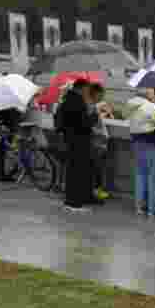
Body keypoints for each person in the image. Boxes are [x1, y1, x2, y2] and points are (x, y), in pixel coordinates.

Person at [57, 79, 98, 212]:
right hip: (79, 142)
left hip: (69, 140)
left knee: (72, 171)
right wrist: (93, 116)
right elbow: (84, 124)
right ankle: (74, 203)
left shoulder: (66, 100)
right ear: (81, 88)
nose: (88, 91)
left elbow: (59, 122)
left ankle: (72, 200)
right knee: (77, 172)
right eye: (87, 89)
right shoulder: (77, 102)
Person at [126, 88, 155, 217]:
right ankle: (153, 209)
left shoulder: (130, 105)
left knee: (140, 175)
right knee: (153, 176)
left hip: (137, 143)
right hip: (153, 144)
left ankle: (139, 206)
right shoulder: (151, 107)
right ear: (150, 93)